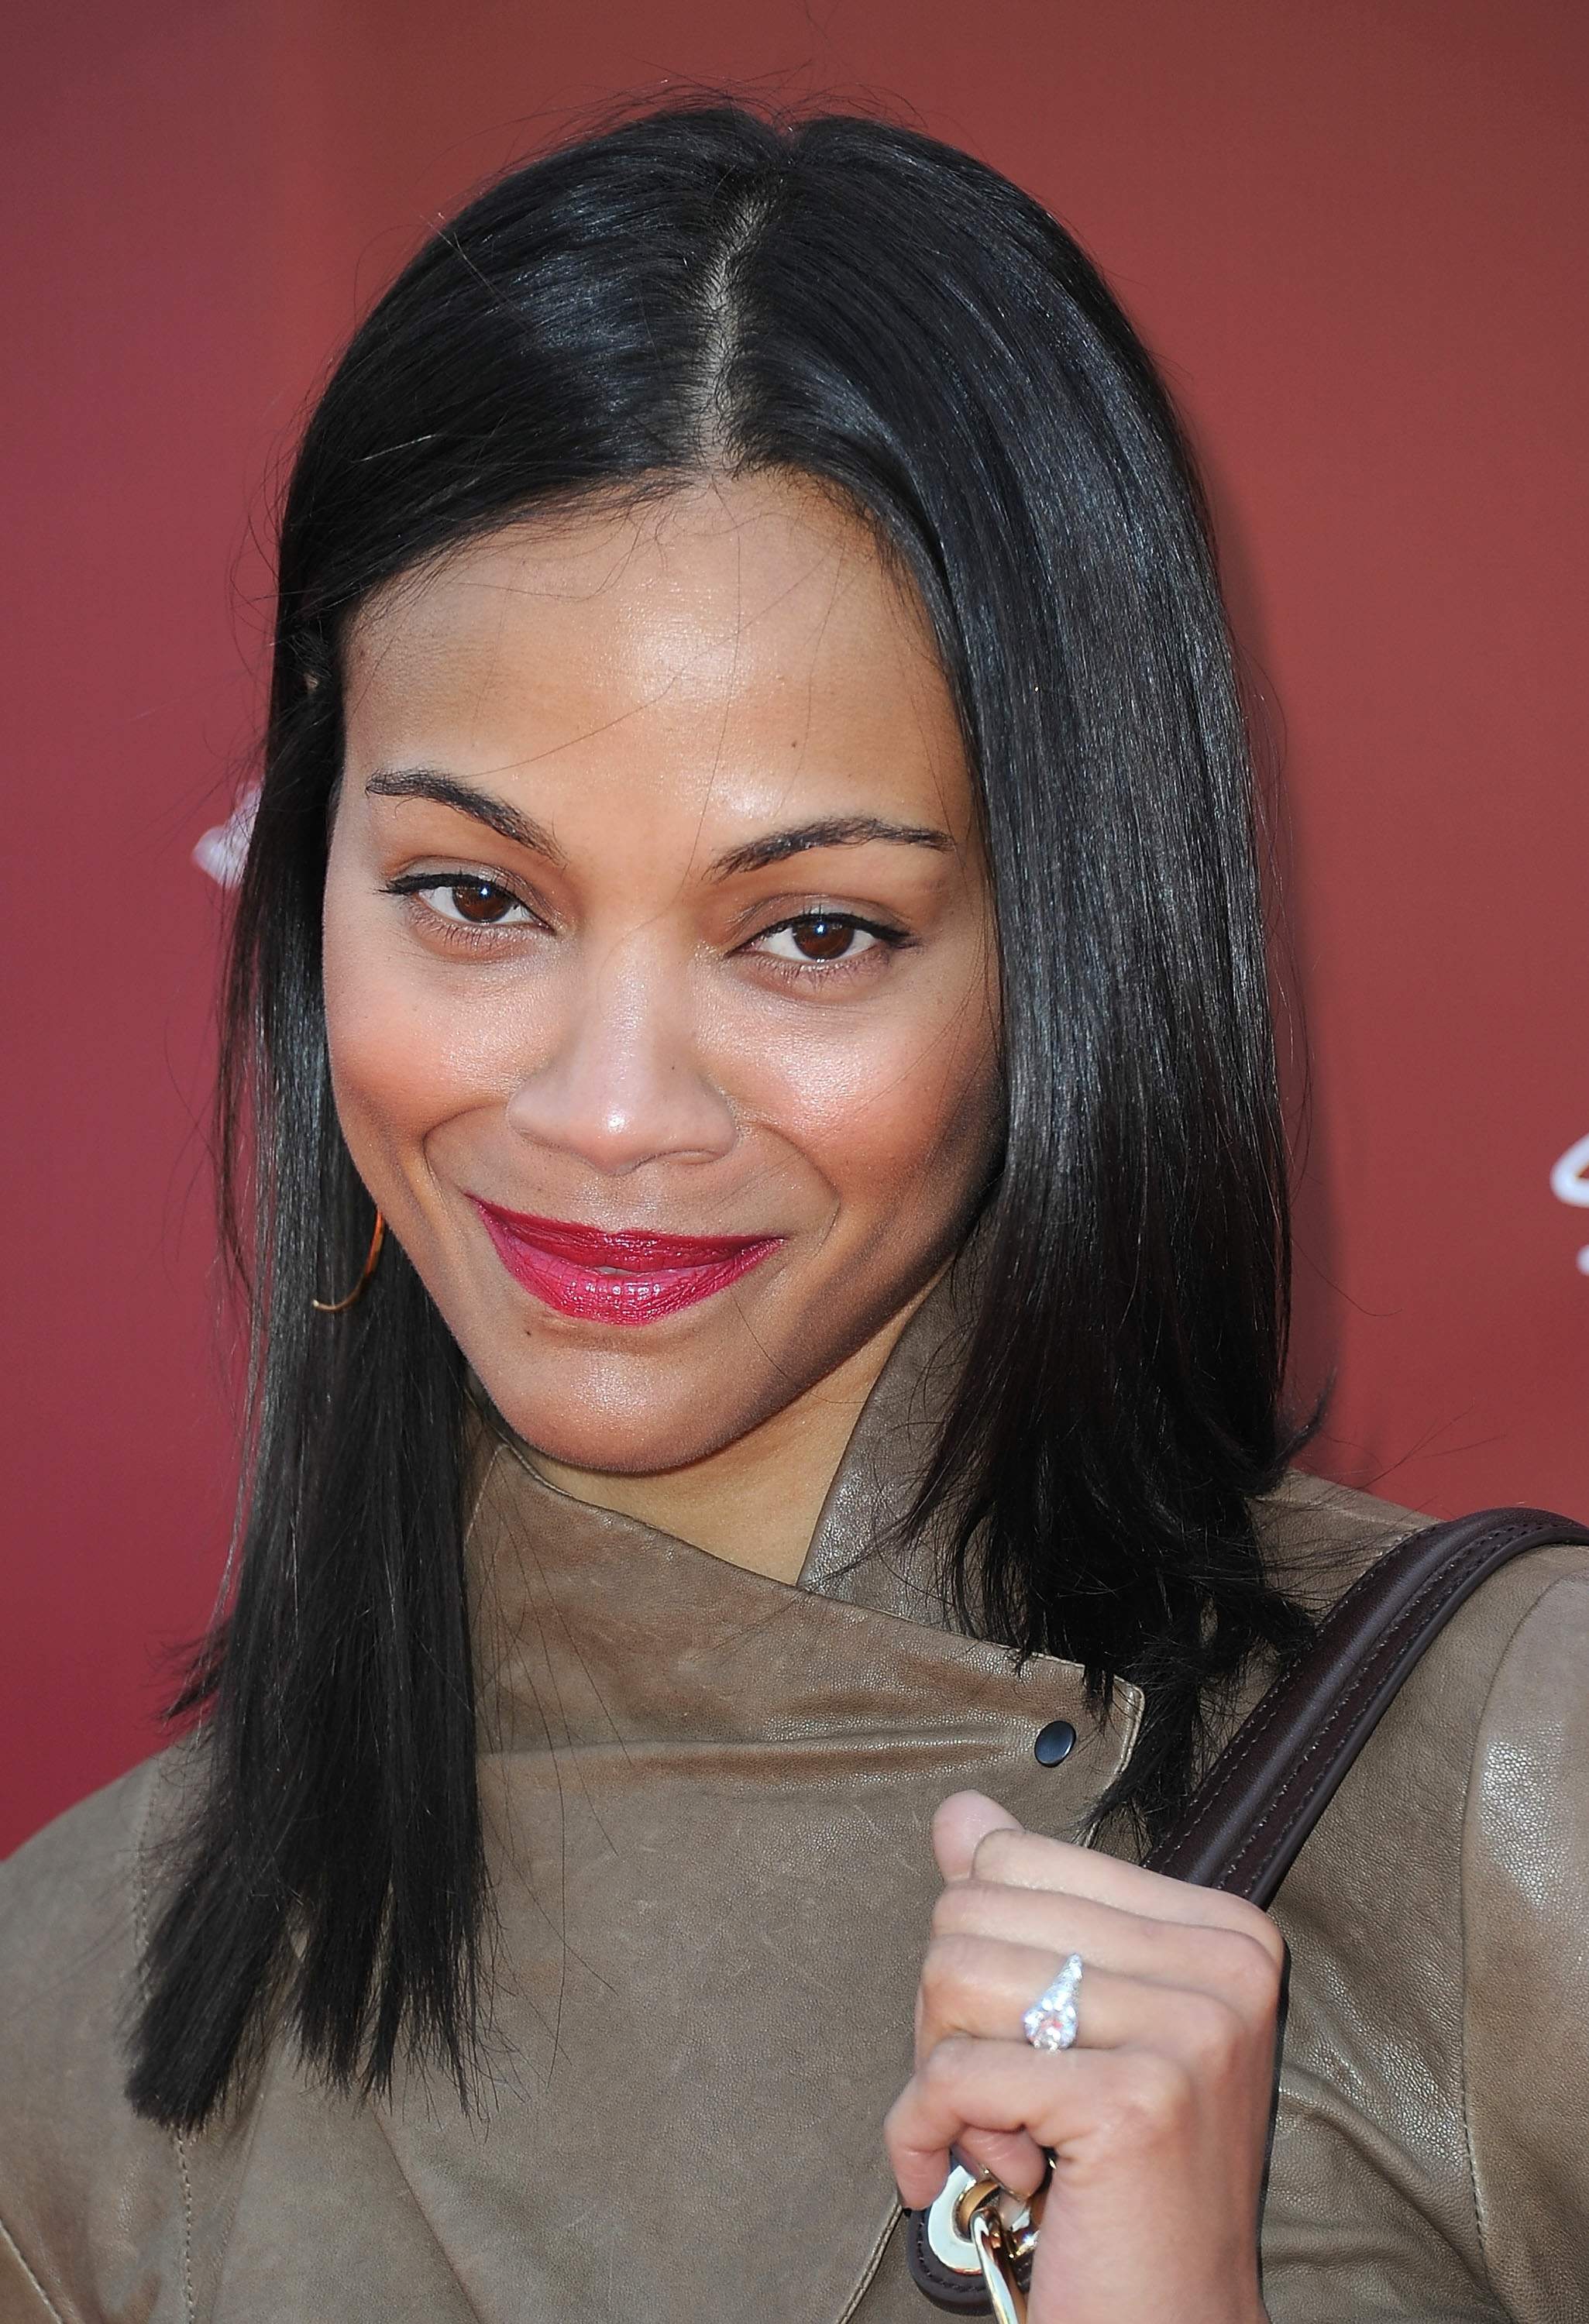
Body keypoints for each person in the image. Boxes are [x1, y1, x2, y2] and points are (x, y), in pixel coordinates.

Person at [2, 100, 1584, 2324]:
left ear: (1067, 950)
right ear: (309, 892)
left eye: (812, 933)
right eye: (474, 897)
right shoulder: (66, 2025)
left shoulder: (1512, 1794)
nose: (610, 1113)